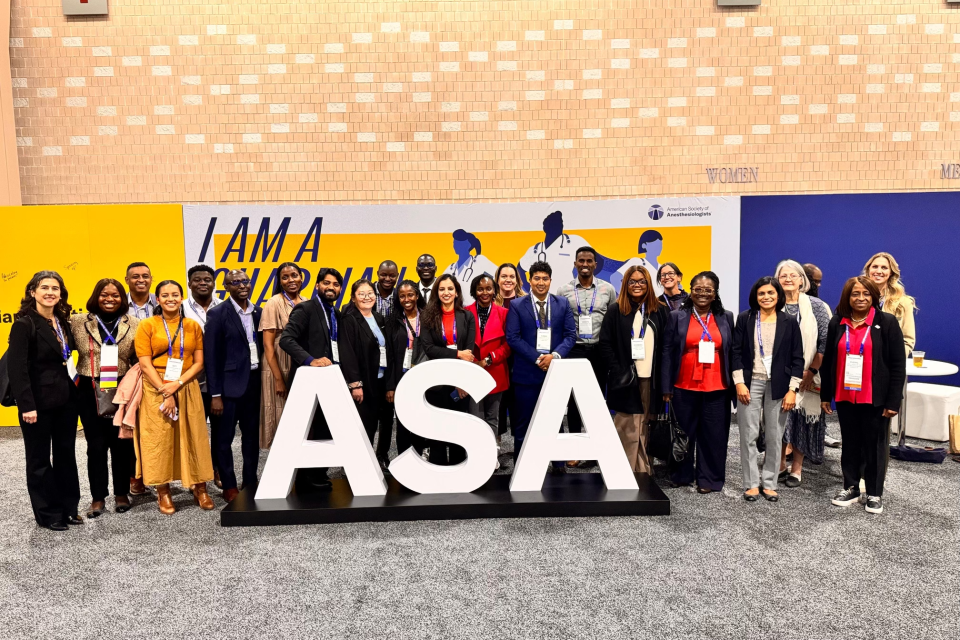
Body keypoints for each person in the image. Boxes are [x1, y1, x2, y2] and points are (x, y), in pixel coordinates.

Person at [822, 277, 906, 515]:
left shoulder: (886, 322)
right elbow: (829, 361)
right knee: (850, 443)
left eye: (866, 294)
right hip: (846, 395)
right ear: (847, 297)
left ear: (873, 296)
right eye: (855, 294)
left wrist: (893, 401)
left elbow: (897, 366)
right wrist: (826, 395)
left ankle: (874, 492)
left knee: (875, 446)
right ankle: (850, 487)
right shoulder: (837, 322)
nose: (860, 298)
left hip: (875, 398)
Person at [7, 271, 82, 531]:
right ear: (33, 292)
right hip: (37, 404)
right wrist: (26, 405)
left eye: (55, 288)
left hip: (66, 401)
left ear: (61, 293)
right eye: (44, 287)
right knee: (39, 460)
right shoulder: (24, 324)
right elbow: (17, 370)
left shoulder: (62, 321)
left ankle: (69, 508)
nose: (50, 292)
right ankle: (48, 513)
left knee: (66, 456)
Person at [134, 280, 214, 514]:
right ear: (157, 299)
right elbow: (145, 363)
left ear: (181, 298)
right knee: (160, 439)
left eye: (175, 294)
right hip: (155, 386)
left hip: (187, 385)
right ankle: (163, 490)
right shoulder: (147, 325)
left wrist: (177, 384)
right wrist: (164, 389)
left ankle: (200, 487)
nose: (170, 298)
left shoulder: (192, 326)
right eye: (165, 295)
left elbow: (199, 362)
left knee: (195, 435)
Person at [731, 277, 805, 502]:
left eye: (771, 293)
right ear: (755, 295)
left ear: (778, 295)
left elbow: (797, 358)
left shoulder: (789, 321)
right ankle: (751, 484)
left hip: (779, 385)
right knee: (748, 434)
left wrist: (793, 389)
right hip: (750, 382)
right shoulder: (745, 318)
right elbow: (734, 352)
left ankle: (770, 483)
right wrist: (739, 382)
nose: (766, 297)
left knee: (775, 435)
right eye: (761, 293)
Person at [69, 278, 139, 517]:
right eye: (104, 295)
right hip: (88, 388)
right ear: (95, 296)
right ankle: (98, 497)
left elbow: (139, 358)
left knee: (121, 443)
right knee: (95, 446)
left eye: (116, 295)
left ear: (123, 298)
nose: (110, 299)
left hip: (121, 386)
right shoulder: (77, 321)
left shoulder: (136, 324)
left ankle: (121, 493)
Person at [661, 271, 735, 493]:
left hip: (717, 387)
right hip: (683, 386)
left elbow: (732, 351)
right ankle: (682, 474)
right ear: (690, 291)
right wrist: (666, 387)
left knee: (714, 434)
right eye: (698, 289)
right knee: (683, 433)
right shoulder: (677, 316)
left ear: (715, 294)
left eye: (708, 290)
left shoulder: (726, 317)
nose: (702, 293)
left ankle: (709, 479)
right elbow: (667, 352)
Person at [505, 261, 577, 470]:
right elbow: (513, 338)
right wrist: (538, 358)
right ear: (530, 280)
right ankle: (522, 466)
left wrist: (554, 356)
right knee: (524, 424)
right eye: (536, 278)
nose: (541, 282)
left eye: (545, 278)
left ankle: (559, 464)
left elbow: (571, 336)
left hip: (554, 373)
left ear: (550, 281)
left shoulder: (562, 304)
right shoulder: (518, 305)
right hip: (526, 375)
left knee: (555, 422)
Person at [597, 265, 669, 474]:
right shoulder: (615, 310)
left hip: (651, 380)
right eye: (632, 282)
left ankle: (644, 470)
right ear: (625, 285)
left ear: (648, 284)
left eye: (641, 281)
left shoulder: (660, 310)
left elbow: (666, 347)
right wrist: (618, 371)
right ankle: (624, 472)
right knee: (628, 426)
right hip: (626, 379)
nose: (637, 285)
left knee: (646, 424)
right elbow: (605, 344)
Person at [279, 267, 343, 491]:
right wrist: (310, 360)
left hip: (329, 380)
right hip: (307, 382)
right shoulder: (305, 308)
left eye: (335, 285)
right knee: (308, 430)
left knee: (325, 427)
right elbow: (286, 340)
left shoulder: (335, 313)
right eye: (326, 283)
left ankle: (318, 473)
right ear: (317, 285)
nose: (331, 288)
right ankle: (305, 477)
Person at [204, 270, 263, 503]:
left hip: (254, 383)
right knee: (223, 439)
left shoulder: (259, 311)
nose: (242, 285)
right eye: (235, 282)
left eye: (245, 281)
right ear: (226, 287)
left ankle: (250, 480)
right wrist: (215, 394)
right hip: (227, 390)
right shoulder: (218, 313)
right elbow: (211, 356)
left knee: (251, 438)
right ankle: (229, 485)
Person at [556, 246, 617, 468]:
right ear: (575, 264)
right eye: (580, 260)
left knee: (596, 401)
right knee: (573, 401)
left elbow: (612, 322)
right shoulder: (563, 291)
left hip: (599, 351)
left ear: (595, 264)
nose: (585, 264)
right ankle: (574, 449)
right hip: (574, 350)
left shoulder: (608, 289)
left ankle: (595, 449)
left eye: (589, 261)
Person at [776, 259, 833, 488]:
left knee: (802, 421)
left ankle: (797, 469)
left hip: (809, 375)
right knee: (778, 420)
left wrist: (811, 371)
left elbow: (825, 343)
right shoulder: (771, 302)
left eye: (793, 275)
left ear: (802, 280)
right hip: (778, 375)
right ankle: (779, 465)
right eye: (783, 276)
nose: (788, 279)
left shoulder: (817, 306)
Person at [419, 274, 477, 465]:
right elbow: (429, 349)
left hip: (459, 386)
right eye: (442, 289)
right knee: (437, 430)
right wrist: (457, 354)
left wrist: (463, 383)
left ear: (456, 292)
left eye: (450, 289)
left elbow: (469, 352)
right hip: (436, 383)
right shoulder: (427, 316)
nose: (446, 293)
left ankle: (458, 470)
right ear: (436, 292)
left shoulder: (467, 316)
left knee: (458, 430)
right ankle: (438, 470)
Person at [339, 279, 392, 466]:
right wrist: (355, 383)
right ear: (353, 298)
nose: (367, 297)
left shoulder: (378, 318)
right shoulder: (349, 319)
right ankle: (358, 467)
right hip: (363, 382)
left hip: (379, 380)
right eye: (361, 294)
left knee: (375, 424)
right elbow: (347, 353)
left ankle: (371, 463)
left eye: (370, 293)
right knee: (363, 425)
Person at [182, 263, 224, 485]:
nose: (202, 283)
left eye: (207, 279)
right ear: (189, 283)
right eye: (197, 280)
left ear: (214, 283)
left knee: (220, 429)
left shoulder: (226, 306)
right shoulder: (179, 308)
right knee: (194, 430)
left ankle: (217, 469)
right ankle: (196, 476)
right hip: (191, 379)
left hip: (219, 381)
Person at [465, 274, 511, 468]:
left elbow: (509, 344)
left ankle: (491, 454)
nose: (485, 292)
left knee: (493, 416)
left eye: (489, 288)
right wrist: (474, 361)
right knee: (475, 416)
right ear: (474, 291)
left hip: (495, 371)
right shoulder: (465, 312)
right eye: (480, 289)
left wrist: (489, 359)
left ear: (494, 290)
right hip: (472, 370)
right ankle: (476, 454)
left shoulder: (504, 313)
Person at [259, 261, 306, 449]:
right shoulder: (274, 302)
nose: (290, 280)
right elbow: (268, 345)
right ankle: (281, 462)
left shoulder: (305, 302)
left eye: (294, 275)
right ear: (279, 281)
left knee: (298, 413)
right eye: (285, 277)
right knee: (280, 412)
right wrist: (278, 378)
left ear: (301, 277)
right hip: (277, 362)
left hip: (298, 362)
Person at [385, 280, 428, 458]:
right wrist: (390, 386)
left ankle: (420, 455)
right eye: (402, 296)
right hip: (401, 378)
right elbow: (388, 356)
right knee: (403, 422)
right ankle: (404, 458)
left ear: (417, 295)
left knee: (422, 419)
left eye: (410, 294)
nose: (406, 299)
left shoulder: (428, 317)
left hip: (424, 378)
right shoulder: (392, 321)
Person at [517, 211, 589, 293]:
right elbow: (519, 269)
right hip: (541, 299)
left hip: (565, 297)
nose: (559, 226)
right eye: (553, 224)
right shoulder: (535, 250)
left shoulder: (573, 241)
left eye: (560, 223)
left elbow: (595, 262)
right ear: (545, 228)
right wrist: (527, 288)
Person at [494, 262, 526, 445]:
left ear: (517, 280)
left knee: (519, 406)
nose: (507, 280)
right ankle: (495, 446)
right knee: (497, 406)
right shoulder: (489, 302)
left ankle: (520, 447)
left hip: (519, 360)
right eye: (503, 276)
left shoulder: (525, 301)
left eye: (511, 276)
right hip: (497, 361)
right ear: (497, 279)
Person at [863, 252, 916, 360]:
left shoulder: (903, 302)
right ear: (868, 270)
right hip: (859, 363)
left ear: (891, 272)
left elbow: (908, 340)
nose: (879, 271)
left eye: (884, 268)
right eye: (875, 267)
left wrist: (894, 361)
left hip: (889, 367)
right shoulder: (856, 299)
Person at [443, 229, 499, 305]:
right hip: (456, 310)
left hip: (476, 310)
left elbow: (499, 275)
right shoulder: (451, 268)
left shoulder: (479, 260)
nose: (456, 245)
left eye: (460, 243)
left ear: (468, 245)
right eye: (454, 243)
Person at [611, 230, 665, 297]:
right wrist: (626, 297)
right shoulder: (637, 261)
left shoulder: (662, 267)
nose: (658, 248)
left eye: (660, 245)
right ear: (644, 245)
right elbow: (615, 278)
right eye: (654, 245)